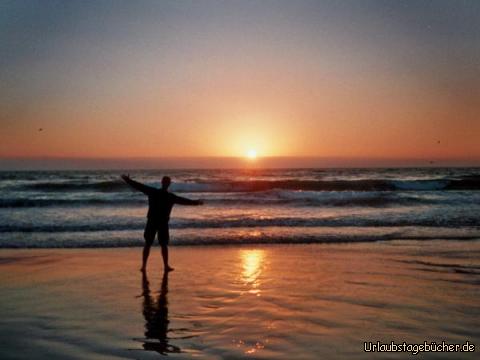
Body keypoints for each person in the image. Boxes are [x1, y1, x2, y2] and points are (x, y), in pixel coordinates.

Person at [121, 174, 203, 272]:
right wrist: (196, 202)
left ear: (164, 183)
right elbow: (139, 186)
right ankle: (153, 266)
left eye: (167, 182)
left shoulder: (156, 193)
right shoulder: (167, 196)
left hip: (157, 222)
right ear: (167, 184)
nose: (166, 184)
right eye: (166, 182)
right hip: (157, 222)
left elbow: (139, 186)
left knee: (155, 244)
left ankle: (151, 266)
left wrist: (127, 180)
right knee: (155, 244)